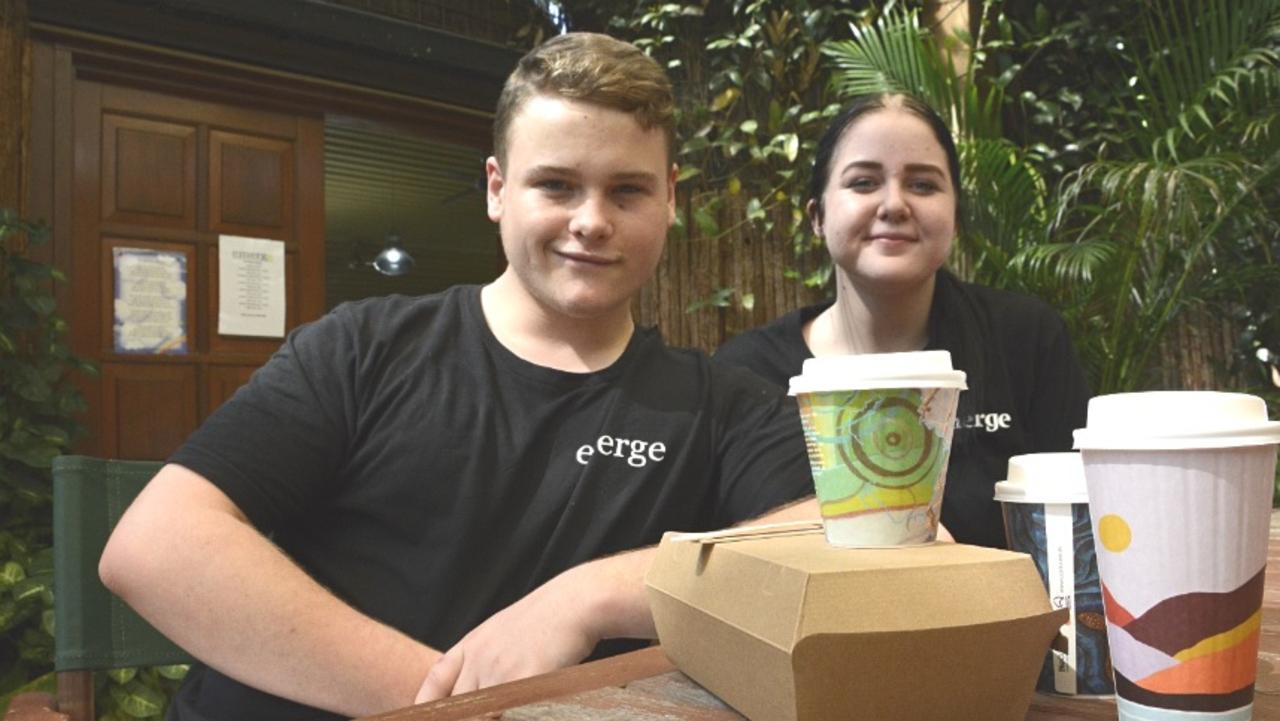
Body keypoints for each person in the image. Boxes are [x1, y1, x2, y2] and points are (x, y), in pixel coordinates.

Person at [99, 33, 815, 721]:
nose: (592, 221)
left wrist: (587, 595)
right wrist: (455, 702)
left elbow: (841, 544)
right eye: (557, 185)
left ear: (670, 199)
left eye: (627, 190)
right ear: (497, 189)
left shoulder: (721, 405)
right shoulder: (364, 348)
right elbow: (156, 544)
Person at [715, 92, 1090, 549]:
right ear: (817, 215)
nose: (893, 204)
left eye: (923, 185)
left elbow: (1075, 535)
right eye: (863, 182)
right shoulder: (743, 373)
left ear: (955, 217)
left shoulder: (1025, 340)